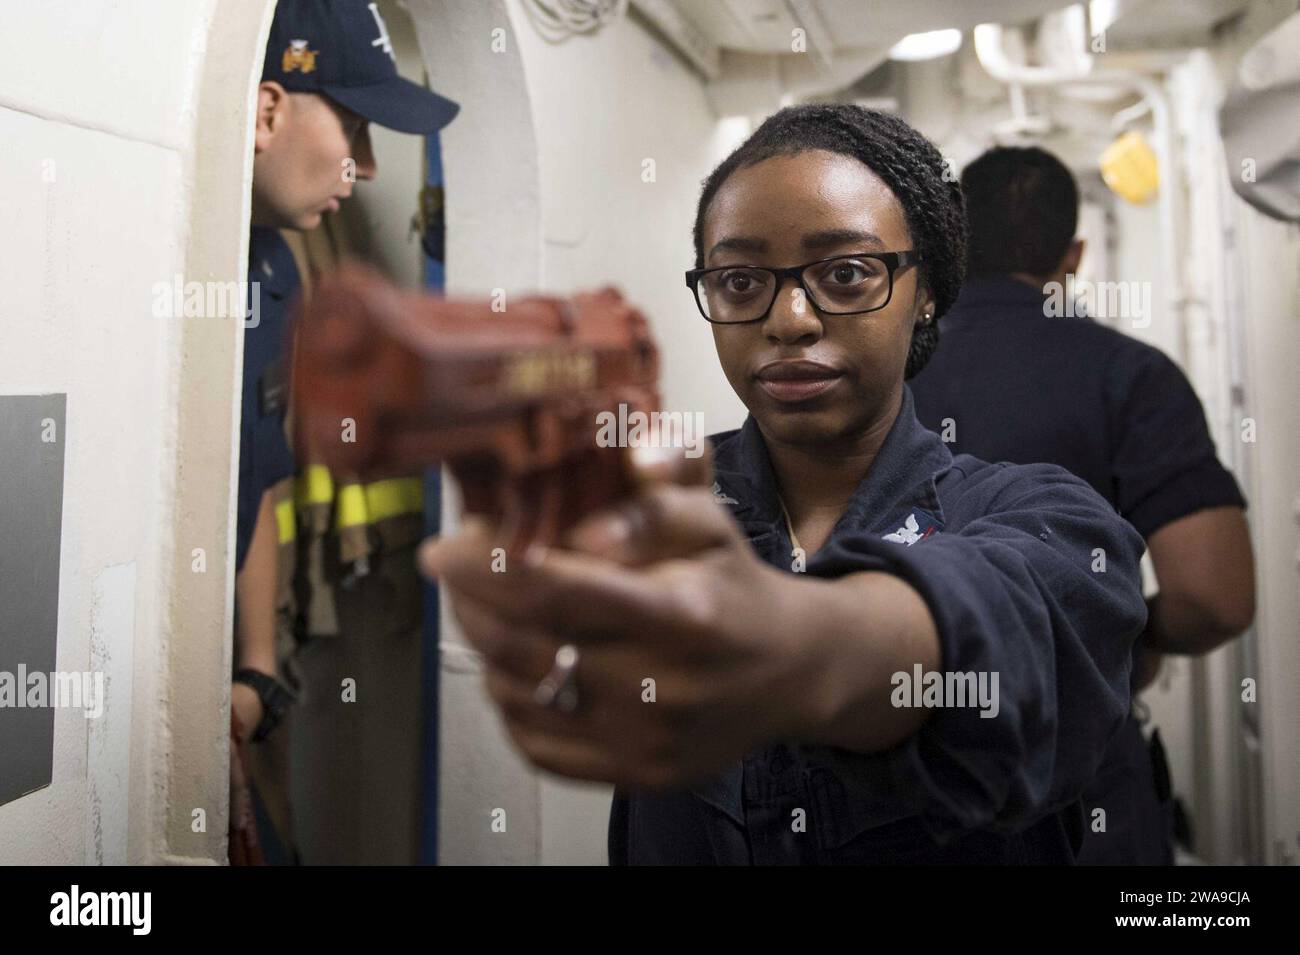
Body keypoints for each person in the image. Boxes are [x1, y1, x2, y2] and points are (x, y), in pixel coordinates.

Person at [420, 104, 1150, 864]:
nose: (790, 319)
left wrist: (796, 642)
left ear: (925, 289)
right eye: (739, 280)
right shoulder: (657, 506)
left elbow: (1014, 607)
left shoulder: (1052, 520)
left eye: (845, 273)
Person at [910, 145, 1255, 864]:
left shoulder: (880, 373)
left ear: (951, 244)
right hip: (1081, 769)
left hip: (897, 775)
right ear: (1073, 255)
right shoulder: (1130, 375)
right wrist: (1127, 637)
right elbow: (1216, 596)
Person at [233, 0, 458, 863]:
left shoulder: (277, 267)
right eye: (357, 129)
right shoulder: (164, 255)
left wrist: (256, 669)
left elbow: (254, 477)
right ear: (266, 111)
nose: (364, 167)